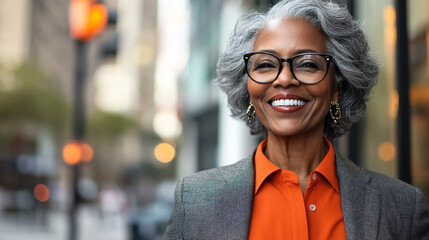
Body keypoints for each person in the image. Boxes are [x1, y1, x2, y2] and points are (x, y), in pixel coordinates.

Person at [164, 0, 429, 239]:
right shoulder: (196, 201)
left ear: (337, 87)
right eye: (265, 64)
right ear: (248, 89)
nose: (284, 78)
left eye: (308, 64)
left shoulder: (402, 206)